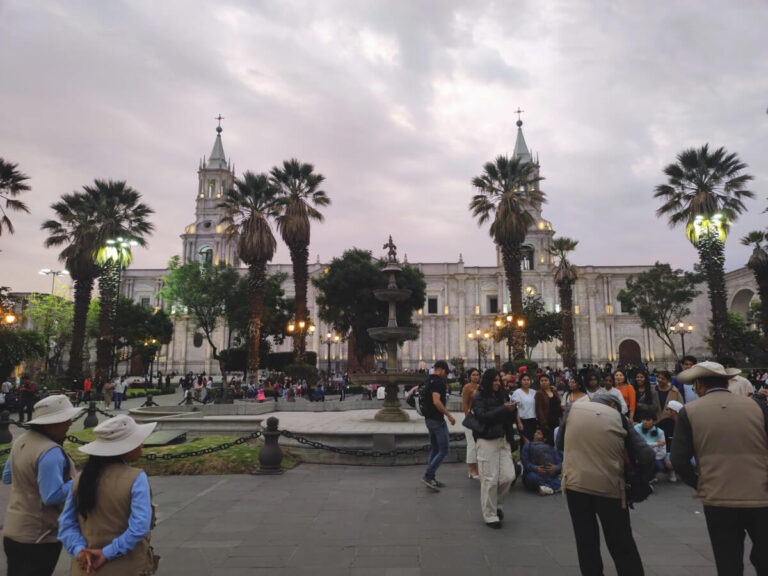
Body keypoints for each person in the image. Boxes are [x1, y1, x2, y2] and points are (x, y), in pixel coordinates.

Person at [671, 361, 768, 576]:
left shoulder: (690, 411)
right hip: (761, 495)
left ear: (699, 385)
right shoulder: (757, 406)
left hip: (718, 496)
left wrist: (699, 483)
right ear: (727, 381)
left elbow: (678, 460)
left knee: (728, 561)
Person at [557, 391, 654, 576]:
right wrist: (639, 478)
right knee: (621, 541)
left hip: (576, 485)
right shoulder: (618, 417)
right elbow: (646, 455)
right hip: (610, 487)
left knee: (586, 541)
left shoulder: (573, 410)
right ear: (612, 406)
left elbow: (559, 443)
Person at [59, 414, 159, 575]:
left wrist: (80, 551)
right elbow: (139, 527)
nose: (141, 445)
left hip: (85, 568)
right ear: (126, 448)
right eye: (138, 441)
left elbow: (66, 524)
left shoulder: (81, 478)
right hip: (127, 567)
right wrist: (106, 553)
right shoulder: (136, 477)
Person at [3, 395, 84, 576]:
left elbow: (7, 477)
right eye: (65, 419)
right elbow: (51, 496)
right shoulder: (51, 452)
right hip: (39, 536)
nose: (70, 422)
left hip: (13, 530)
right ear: (50, 423)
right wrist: (78, 481)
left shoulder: (21, 441)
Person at [471, 369, 518, 528]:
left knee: (508, 476)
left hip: (503, 439)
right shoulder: (479, 397)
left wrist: (512, 409)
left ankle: (497, 504)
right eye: (495, 380)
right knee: (489, 479)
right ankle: (490, 515)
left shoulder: (502, 396)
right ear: (488, 381)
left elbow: (508, 417)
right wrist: (504, 409)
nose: (498, 383)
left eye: (499, 380)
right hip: (487, 440)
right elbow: (482, 416)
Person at [420, 360, 455, 491]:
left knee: (435, 449)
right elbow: (436, 401)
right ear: (441, 369)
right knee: (444, 449)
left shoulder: (428, 380)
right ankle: (428, 475)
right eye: (446, 372)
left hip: (428, 419)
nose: (446, 375)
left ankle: (431, 477)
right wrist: (449, 415)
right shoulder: (438, 382)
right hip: (436, 420)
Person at [634, 408, 675, 481]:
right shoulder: (636, 428)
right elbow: (638, 445)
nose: (645, 422)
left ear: (654, 422)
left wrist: (653, 457)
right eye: (643, 419)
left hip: (654, 456)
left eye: (648, 420)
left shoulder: (660, 432)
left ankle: (652, 475)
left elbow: (663, 450)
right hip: (639, 455)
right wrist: (656, 444)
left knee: (660, 466)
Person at [521, 427, 562, 495]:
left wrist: (555, 468)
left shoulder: (552, 449)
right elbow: (525, 463)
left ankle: (545, 487)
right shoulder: (528, 446)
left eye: (538, 433)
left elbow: (560, 463)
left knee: (561, 479)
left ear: (544, 438)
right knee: (531, 477)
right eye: (535, 432)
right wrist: (536, 468)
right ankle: (551, 487)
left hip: (550, 476)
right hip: (536, 474)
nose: (535, 434)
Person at [461, 368, 481, 479]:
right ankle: (472, 470)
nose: (476, 377)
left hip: (479, 417)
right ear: (469, 376)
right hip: (471, 416)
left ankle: (478, 468)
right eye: (473, 375)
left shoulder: (480, 387)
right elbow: (464, 404)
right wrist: (467, 418)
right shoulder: (467, 387)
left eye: (477, 375)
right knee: (471, 444)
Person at [534, 374, 562, 445]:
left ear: (549, 382)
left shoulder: (554, 391)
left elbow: (558, 404)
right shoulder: (539, 393)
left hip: (556, 420)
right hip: (547, 423)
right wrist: (544, 424)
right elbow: (539, 410)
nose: (543, 382)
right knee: (549, 442)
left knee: (558, 441)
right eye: (542, 381)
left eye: (546, 380)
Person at [511, 373, 537, 442]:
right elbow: (516, 408)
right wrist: (519, 422)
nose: (526, 382)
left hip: (533, 420)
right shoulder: (517, 393)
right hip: (523, 421)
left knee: (533, 442)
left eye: (528, 380)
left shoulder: (534, 392)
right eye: (524, 380)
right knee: (526, 442)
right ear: (520, 381)